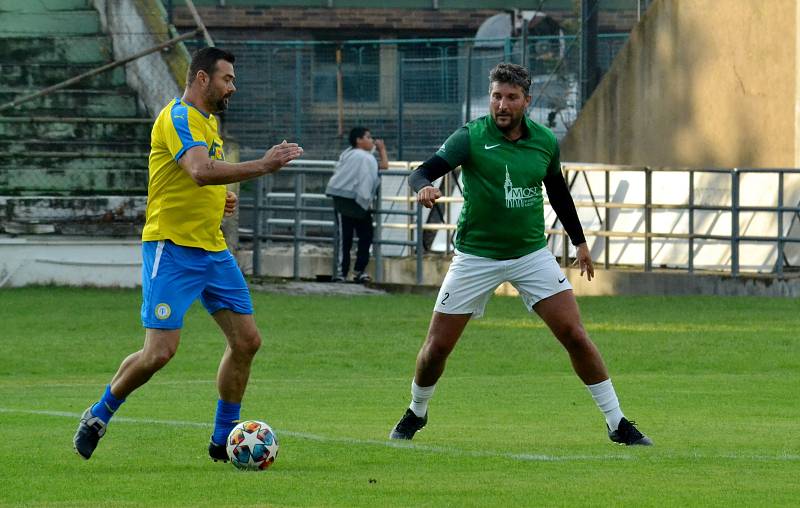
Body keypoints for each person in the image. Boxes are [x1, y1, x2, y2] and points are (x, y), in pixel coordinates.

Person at [388, 63, 652, 446]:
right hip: (476, 255)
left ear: (526, 101)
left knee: (574, 334)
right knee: (437, 347)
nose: (501, 104)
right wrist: (424, 187)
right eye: (496, 96)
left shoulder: (544, 141)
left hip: (531, 254)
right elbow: (421, 172)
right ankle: (416, 411)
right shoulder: (471, 137)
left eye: (511, 97)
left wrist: (579, 242)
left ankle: (617, 422)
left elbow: (558, 192)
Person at [73, 47, 304, 461]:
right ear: (201, 78)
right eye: (226, 78)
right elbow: (198, 171)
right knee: (159, 352)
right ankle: (98, 413)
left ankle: (222, 439)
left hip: (212, 250)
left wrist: (221, 201)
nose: (232, 86)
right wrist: (264, 166)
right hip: (173, 248)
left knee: (247, 341)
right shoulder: (177, 117)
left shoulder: (209, 123)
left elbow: (202, 180)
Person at [325, 127, 388, 283]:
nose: (371, 140)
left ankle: (356, 271)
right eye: (368, 137)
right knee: (346, 238)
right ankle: (343, 272)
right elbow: (383, 166)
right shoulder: (357, 156)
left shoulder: (357, 156)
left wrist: (381, 150)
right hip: (345, 200)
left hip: (359, 202)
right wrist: (381, 150)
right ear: (359, 140)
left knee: (364, 236)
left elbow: (382, 166)